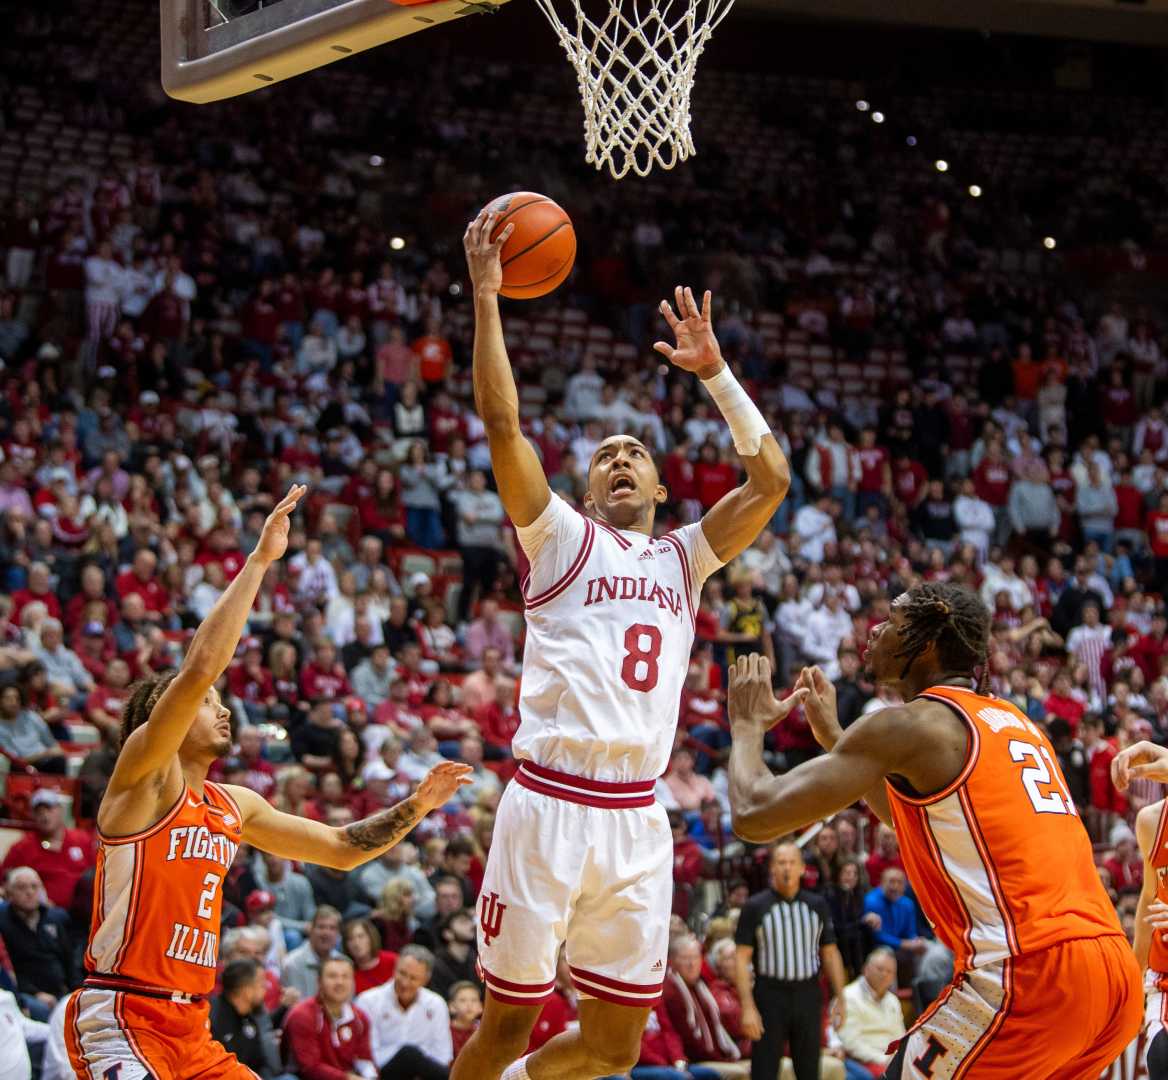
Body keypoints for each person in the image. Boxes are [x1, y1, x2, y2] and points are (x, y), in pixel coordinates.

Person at [455, 216, 790, 1080]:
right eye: (605, 454)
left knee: (613, 1049)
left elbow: (772, 482)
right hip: (548, 803)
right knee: (501, 1029)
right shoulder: (559, 538)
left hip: (638, 817)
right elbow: (502, 424)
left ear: (661, 483)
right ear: (589, 486)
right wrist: (488, 298)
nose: (620, 460)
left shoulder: (686, 557)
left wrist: (715, 373)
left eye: (635, 452)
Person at [64, 487, 472, 1078]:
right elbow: (201, 664)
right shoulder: (144, 777)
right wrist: (259, 562)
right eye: (207, 704)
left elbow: (339, 850)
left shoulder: (237, 806)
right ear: (168, 718)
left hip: (192, 1028)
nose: (223, 709)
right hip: (123, 1016)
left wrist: (419, 804)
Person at [725, 579, 1142, 1078]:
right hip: (1112, 973)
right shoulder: (1013, 721)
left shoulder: (912, 724)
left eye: (892, 622)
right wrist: (836, 738)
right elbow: (928, 830)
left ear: (924, 644)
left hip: (1031, 971)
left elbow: (754, 813)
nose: (874, 629)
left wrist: (747, 729)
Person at [733, 844, 846, 1080]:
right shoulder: (755, 906)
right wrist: (747, 1007)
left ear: (803, 868)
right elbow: (741, 958)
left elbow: (830, 953)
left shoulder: (817, 905)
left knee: (809, 1070)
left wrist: (840, 997)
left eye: (792, 862)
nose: (787, 867)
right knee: (764, 1070)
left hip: (808, 994)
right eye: (781, 862)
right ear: (772, 868)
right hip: (769, 995)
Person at [356, 944, 453, 1079]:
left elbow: (443, 1053)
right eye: (402, 973)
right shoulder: (368, 1001)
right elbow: (368, 1052)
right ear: (394, 969)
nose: (405, 983)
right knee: (409, 1054)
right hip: (384, 1072)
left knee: (414, 1056)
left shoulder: (436, 1004)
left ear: (425, 980)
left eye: (413, 978)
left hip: (425, 1074)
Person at [282, 954, 378, 1079]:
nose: (340, 982)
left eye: (346, 977)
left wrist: (371, 1077)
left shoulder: (360, 1018)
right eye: (332, 976)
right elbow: (310, 1067)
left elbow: (364, 1059)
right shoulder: (302, 1015)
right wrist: (347, 1078)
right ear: (319, 982)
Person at [0, 788, 95, 909]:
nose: (44, 815)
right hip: (43, 913)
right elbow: (4, 882)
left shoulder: (83, 840)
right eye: (39, 811)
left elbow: (98, 874)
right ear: (33, 815)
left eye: (49, 809)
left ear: (60, 810)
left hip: (83, 911)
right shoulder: (22, 847)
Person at [209, 957, 291, 1079]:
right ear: (246, 990)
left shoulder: (251, 1016)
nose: (266, 987)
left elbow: (261, 1062)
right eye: (261, 983)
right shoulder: (213, 1016)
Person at [834, 948, 903, 1080]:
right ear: (866, 969)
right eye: (880, 969)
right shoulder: (847, 997)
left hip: (889, 1061)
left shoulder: (893, 1001)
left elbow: (899, 1037)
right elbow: (851, 1043)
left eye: (889, 972)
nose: (884, 975)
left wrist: (898, 1059)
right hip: (859, 1061)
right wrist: (884, 1059)